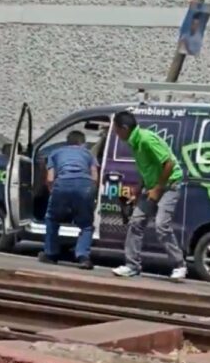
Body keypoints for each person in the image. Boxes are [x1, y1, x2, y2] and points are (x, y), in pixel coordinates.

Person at [111, 111, 187, 280]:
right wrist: (138, 189)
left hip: (169, 185)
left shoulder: (146, 139)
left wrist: (158, 189)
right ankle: (132, 265)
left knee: (161, 225)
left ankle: (179, 264)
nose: (116, 134)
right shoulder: (134, 142)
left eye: (116, 130)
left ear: (124, 128)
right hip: (152, 186)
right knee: (136, 222)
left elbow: (169, 162)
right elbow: (146, 168)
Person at [38, 130, 98, 270]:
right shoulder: (89, 154)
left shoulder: (55, 153)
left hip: (62, 184)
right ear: (82, 143)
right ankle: (83, 257)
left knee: (52, 218)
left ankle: (51, 254)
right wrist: (90, 194)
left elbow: (50, 178)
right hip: (85, 185)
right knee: (86, 225)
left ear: (67, 142)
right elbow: (94, 176)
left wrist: (55, 193)